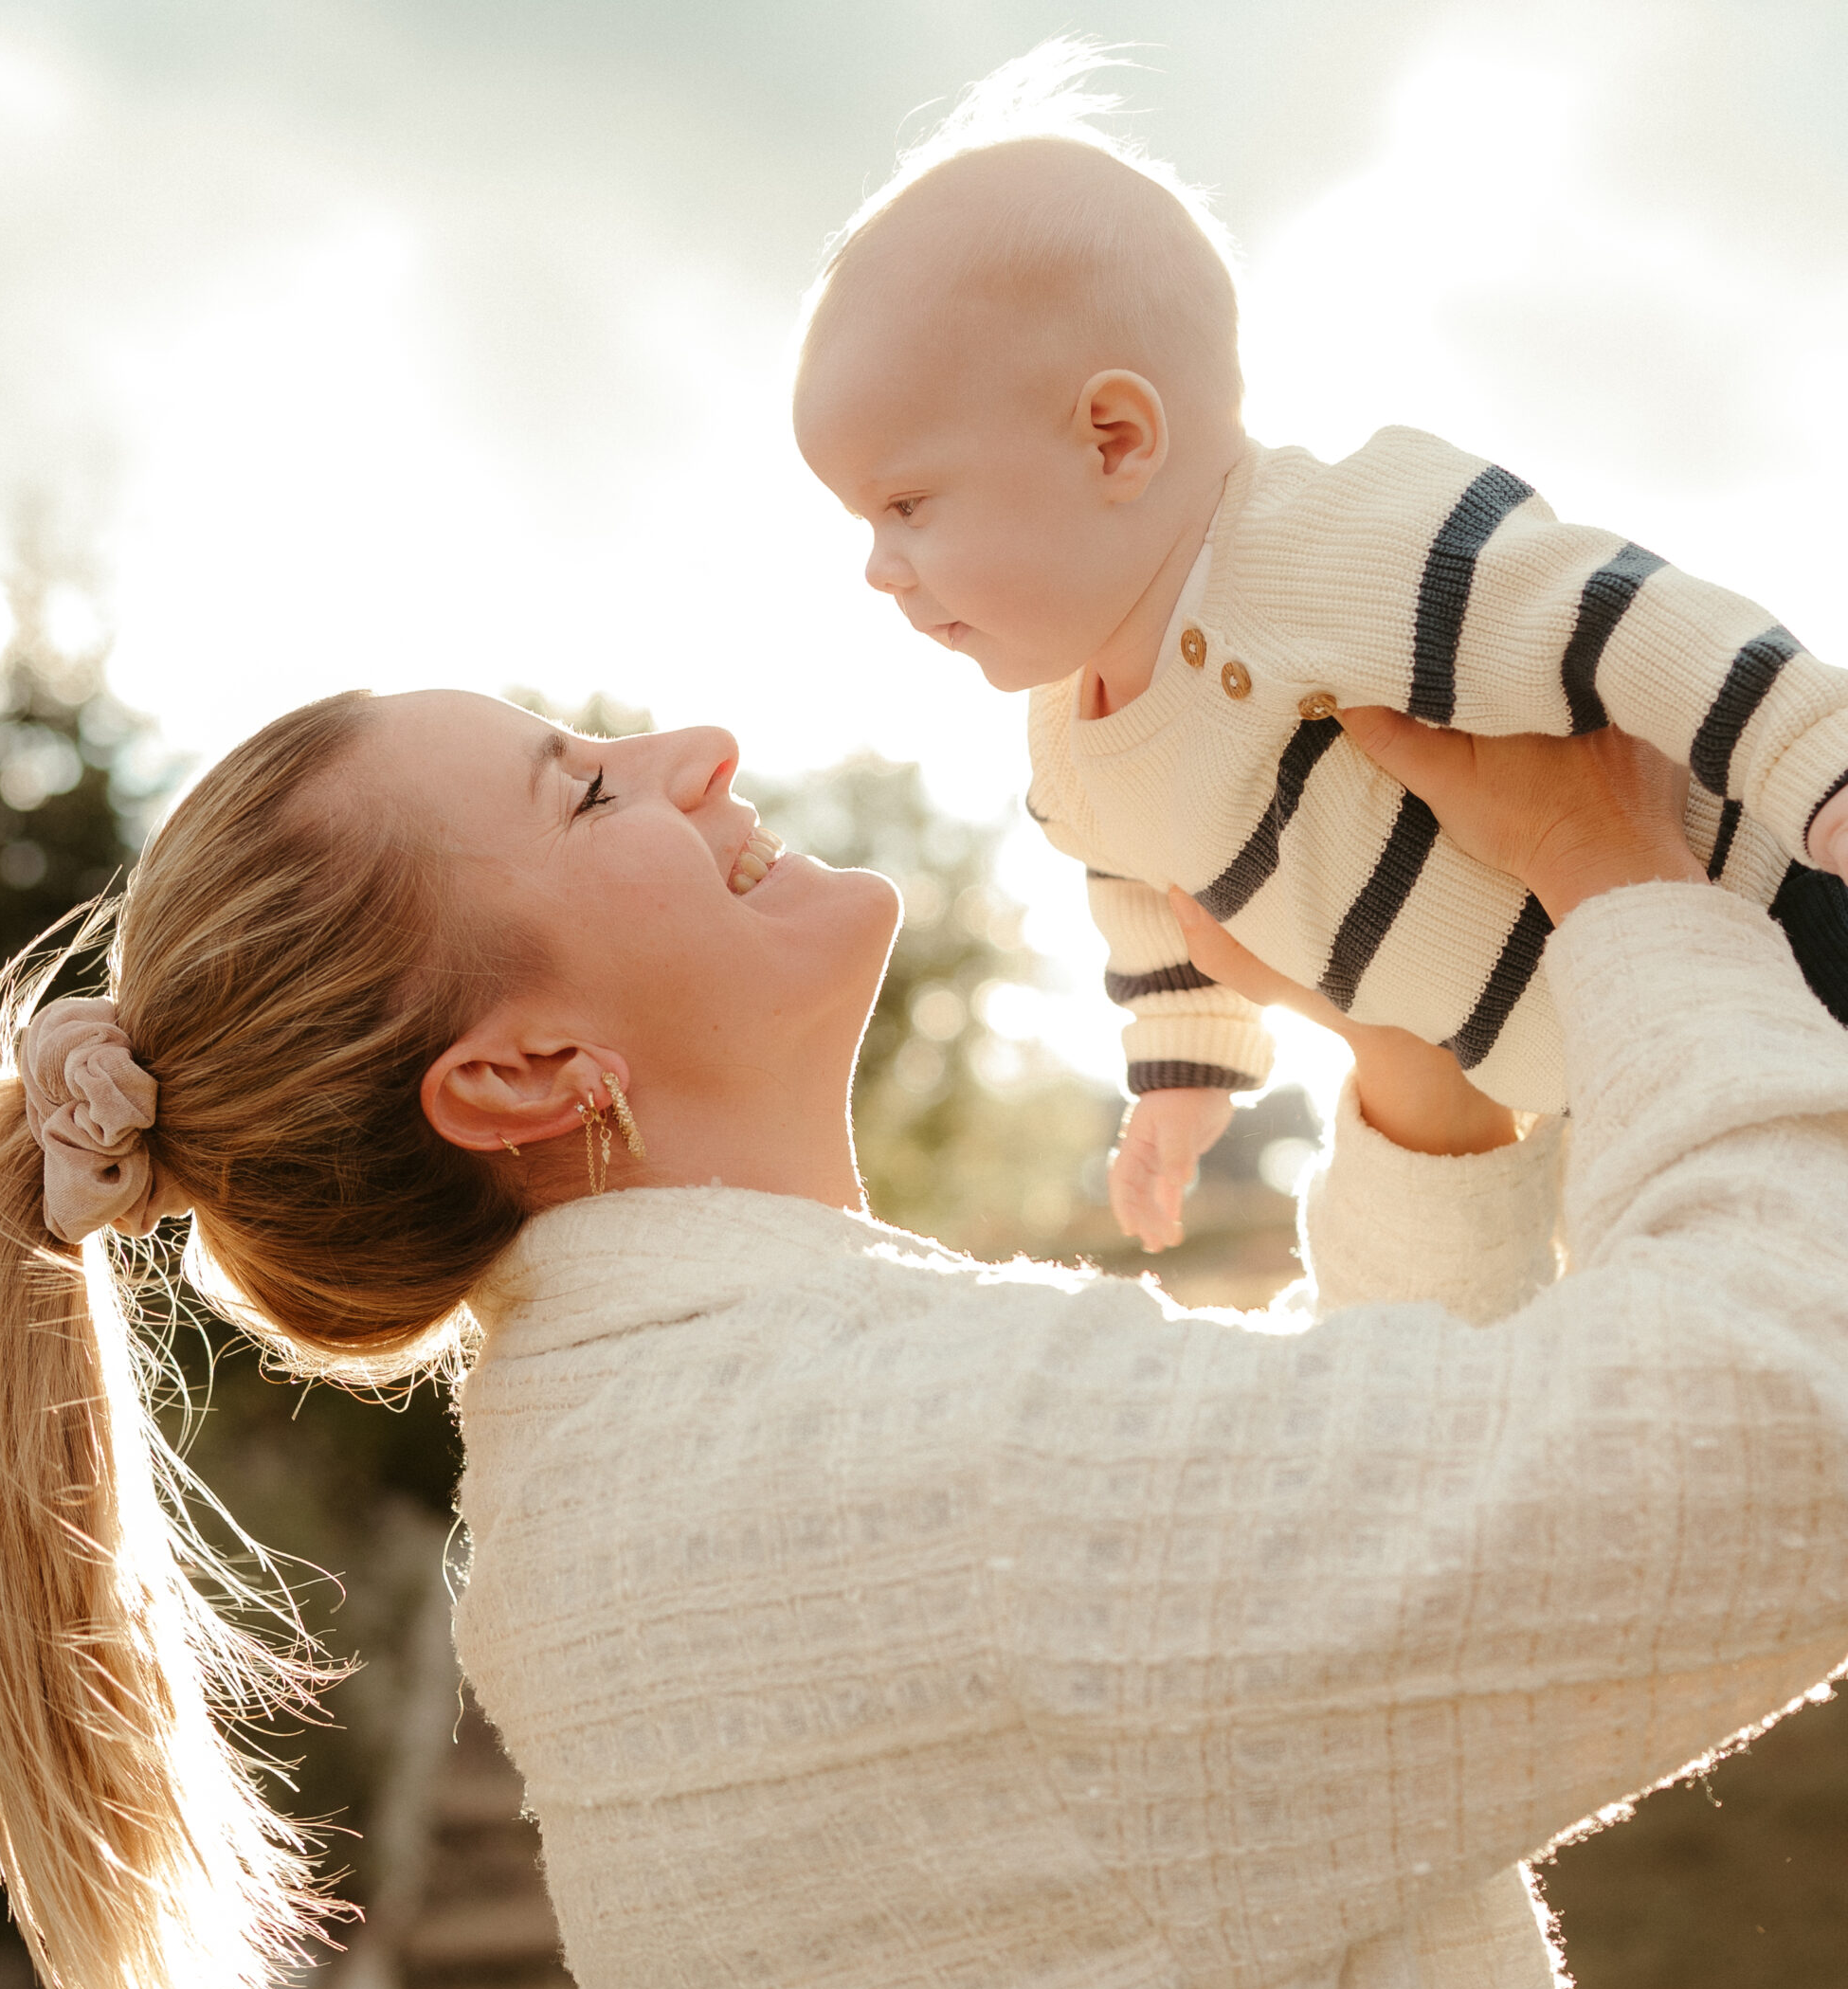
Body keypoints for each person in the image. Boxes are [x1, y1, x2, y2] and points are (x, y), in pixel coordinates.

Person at [0, 681, 1848, 1989]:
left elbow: (1273, 1666)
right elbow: (1784, 1421)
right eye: (585, 790)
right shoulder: (873, 1456)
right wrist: (1625, 886)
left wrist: (1414, 1111)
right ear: (521, 1071)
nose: (696, 754)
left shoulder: (687, 1451)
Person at [790, 45, 1848, 1253]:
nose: (879, 567)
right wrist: (1184, 1074)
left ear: (1114, 441)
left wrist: (1812, 756)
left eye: (909, 505)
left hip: (1779, 918)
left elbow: (1609, 611)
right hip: (1603, 1072)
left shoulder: (1324, 545)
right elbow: (1147, 900)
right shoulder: (1072, 759)